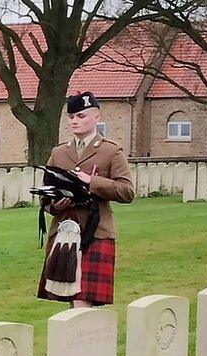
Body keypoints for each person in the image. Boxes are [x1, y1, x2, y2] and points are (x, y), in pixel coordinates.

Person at [37, 91, 135, 307]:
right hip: (64, 231)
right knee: (73, 301)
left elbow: (127, 191)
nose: (74, 121)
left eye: (81, 116)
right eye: (71, 116)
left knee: (83, 302)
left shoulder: (111, 151)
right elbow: (45, 194)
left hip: (96, 233)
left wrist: (92, 182)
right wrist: (53, 205)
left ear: (96, 117)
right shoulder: (59, 152)